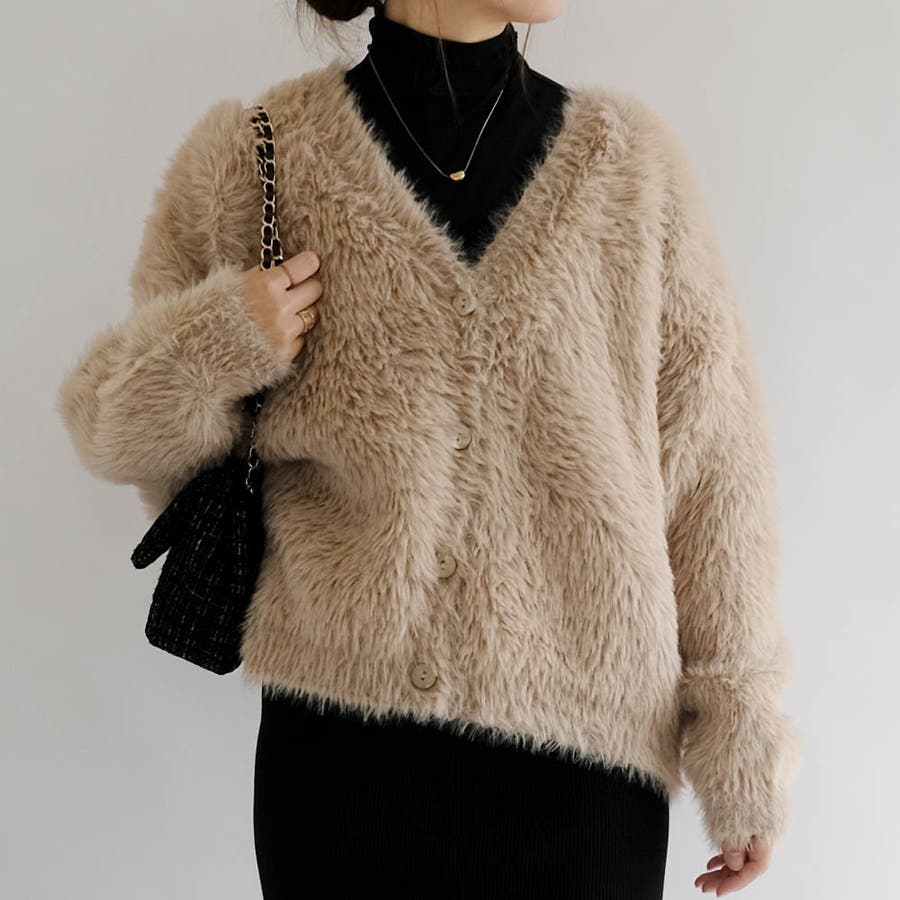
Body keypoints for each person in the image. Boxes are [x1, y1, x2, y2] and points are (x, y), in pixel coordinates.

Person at [55, 1, 802, 898]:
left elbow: (715, 470)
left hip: (586, 777)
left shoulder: (632, 169)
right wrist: (222, 337)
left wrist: (740, 735)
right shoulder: (256, 157)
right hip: (342, 769)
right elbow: (110, 428)